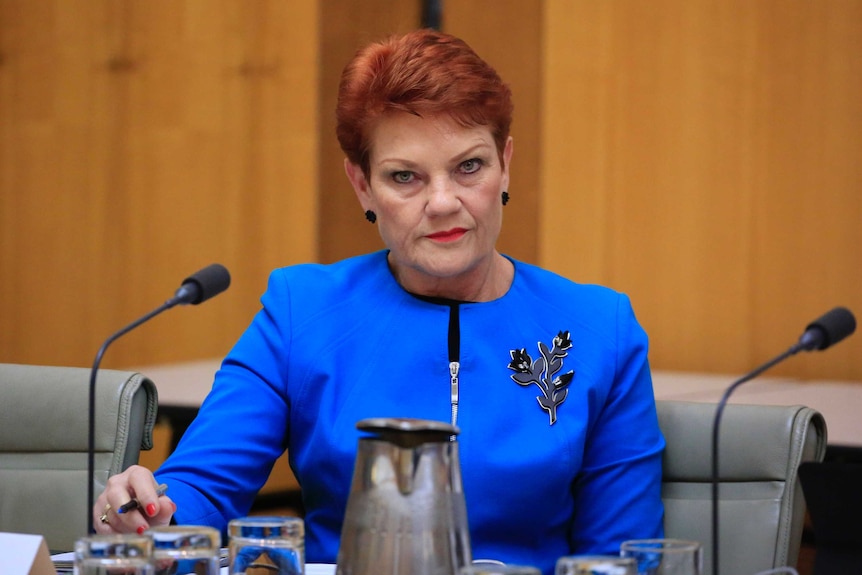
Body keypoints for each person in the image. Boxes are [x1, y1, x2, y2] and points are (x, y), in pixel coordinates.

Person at [94, 28, 665, 574]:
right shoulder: (302, 312)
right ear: (363, 186)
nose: (443, 202)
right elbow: (201, 488)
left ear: (505, 165)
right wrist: (148, 514)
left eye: (469, 166)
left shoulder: (598, 328)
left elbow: (625, 557)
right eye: (405, 177)